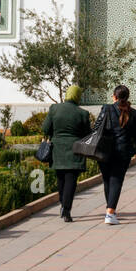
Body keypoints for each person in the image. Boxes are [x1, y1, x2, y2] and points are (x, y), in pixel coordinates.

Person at [43, 84, 92, 222]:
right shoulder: (82, 113)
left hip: (57, 150)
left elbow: (45, 128)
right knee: (71, 180)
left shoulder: (54, 109)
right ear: (78, 95)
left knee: (61, 179)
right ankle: (66, 209)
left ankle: (63, 204)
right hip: (75, 150)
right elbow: (87, 134)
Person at [95, 84, 136, 225]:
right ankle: (110, 212)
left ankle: (110, 210)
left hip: (105, 150)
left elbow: (97, 127)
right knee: (116, 180)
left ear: (114, 96)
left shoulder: (107, 109)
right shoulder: (133, 113)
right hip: (123, 152)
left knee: (107, 180)